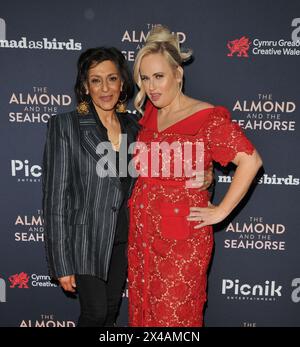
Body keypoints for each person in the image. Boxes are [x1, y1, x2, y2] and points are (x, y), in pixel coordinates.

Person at [127, 25, 263, 327]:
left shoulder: (207, 117)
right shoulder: (149, 115)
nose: (152, 87)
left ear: (178, 74)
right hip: (143, 237)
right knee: (143, 314)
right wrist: (208, 174)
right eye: (145, 78)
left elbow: (250, 161)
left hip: (181, 244)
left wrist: (221, 211)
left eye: (159, 76)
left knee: (175, 318)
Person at [42, 47, 140, 327]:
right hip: (85, 242)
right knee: (95, 314)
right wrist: (61, 263)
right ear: (85, 86)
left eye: (111, 78)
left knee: (110, 313)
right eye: (96, 80)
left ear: (122, 82)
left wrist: (205, 177)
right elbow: (55, 199)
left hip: (122, 240)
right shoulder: (66, 126)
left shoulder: (136, 127)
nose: (105, 88)